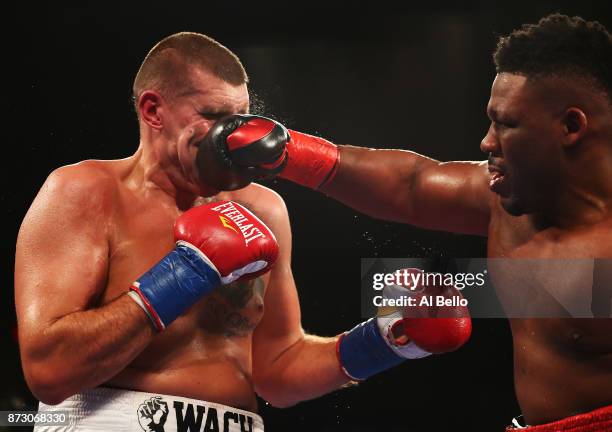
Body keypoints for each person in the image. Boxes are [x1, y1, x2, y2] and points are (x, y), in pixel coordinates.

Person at [14, 32, 470, 432]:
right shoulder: (87, 191)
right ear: (154, 111)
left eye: (239, 117)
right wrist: (184, 273)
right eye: (213, 116)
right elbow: (49, 372)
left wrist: (388, 340)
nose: (231, 136)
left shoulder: (263, 209)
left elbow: (277, 370)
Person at [197, 14, 612, 431]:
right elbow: (412, 185)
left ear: (571, 126)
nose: (487, 141)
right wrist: (288, 153)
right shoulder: (503, 201)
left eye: (508, 124)